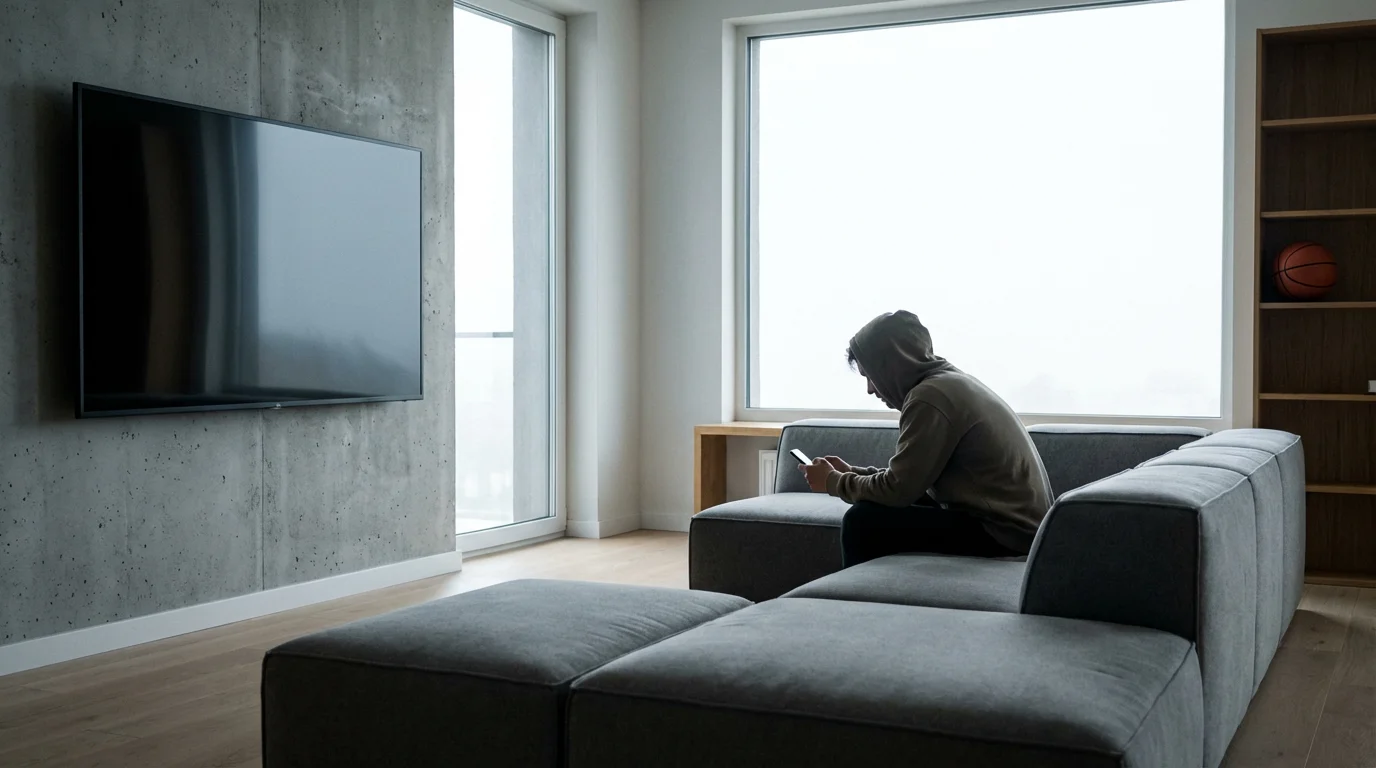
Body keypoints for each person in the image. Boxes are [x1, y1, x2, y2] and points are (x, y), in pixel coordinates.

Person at [799, 310, 1052, 567]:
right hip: (1017, 528)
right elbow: (913, 483)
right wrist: (853, 472)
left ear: (892, 365)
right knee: (879, 513)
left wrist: (834, 482)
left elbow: (898, 491)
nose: (871, 390)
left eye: (870, 376)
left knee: (862, 521)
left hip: (1004, 534)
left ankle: (855, 603)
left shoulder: (929, 398)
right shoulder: (950, 383)